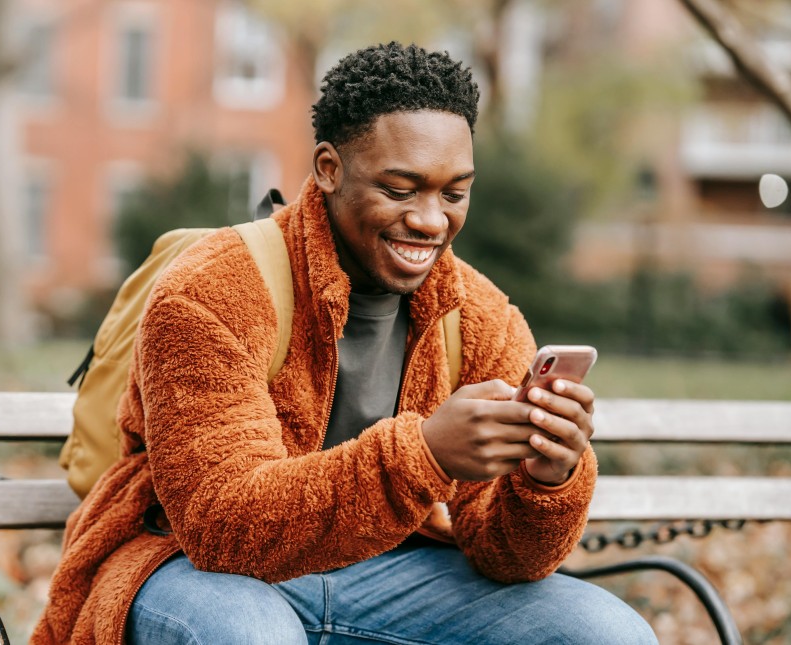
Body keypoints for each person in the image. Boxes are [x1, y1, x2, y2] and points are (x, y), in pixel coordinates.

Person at [32, 42, 657, 645]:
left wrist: (549, 478)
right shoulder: (214, 286)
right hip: (184, 566)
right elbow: (221, 528)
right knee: (251, 635)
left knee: (610, 633)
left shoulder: (480, 316)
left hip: (387, 572)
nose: (432, 220)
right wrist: (425, 455)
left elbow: (508, 558)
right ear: (329, 169)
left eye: (454, 192)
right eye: (400, 188)